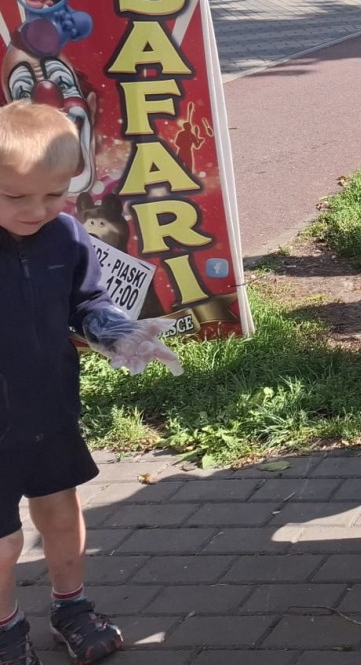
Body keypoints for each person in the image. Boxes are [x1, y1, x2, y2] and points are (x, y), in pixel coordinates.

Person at [0, 103, 183, 665]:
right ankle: (6, 630)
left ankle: (72, 606)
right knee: (3, 543)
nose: (38, 209)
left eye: (54, 193)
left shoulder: (67, 236)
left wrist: (119, 333)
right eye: (15, 196)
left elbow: (86, 302)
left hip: (50, 410)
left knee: (61, 513)